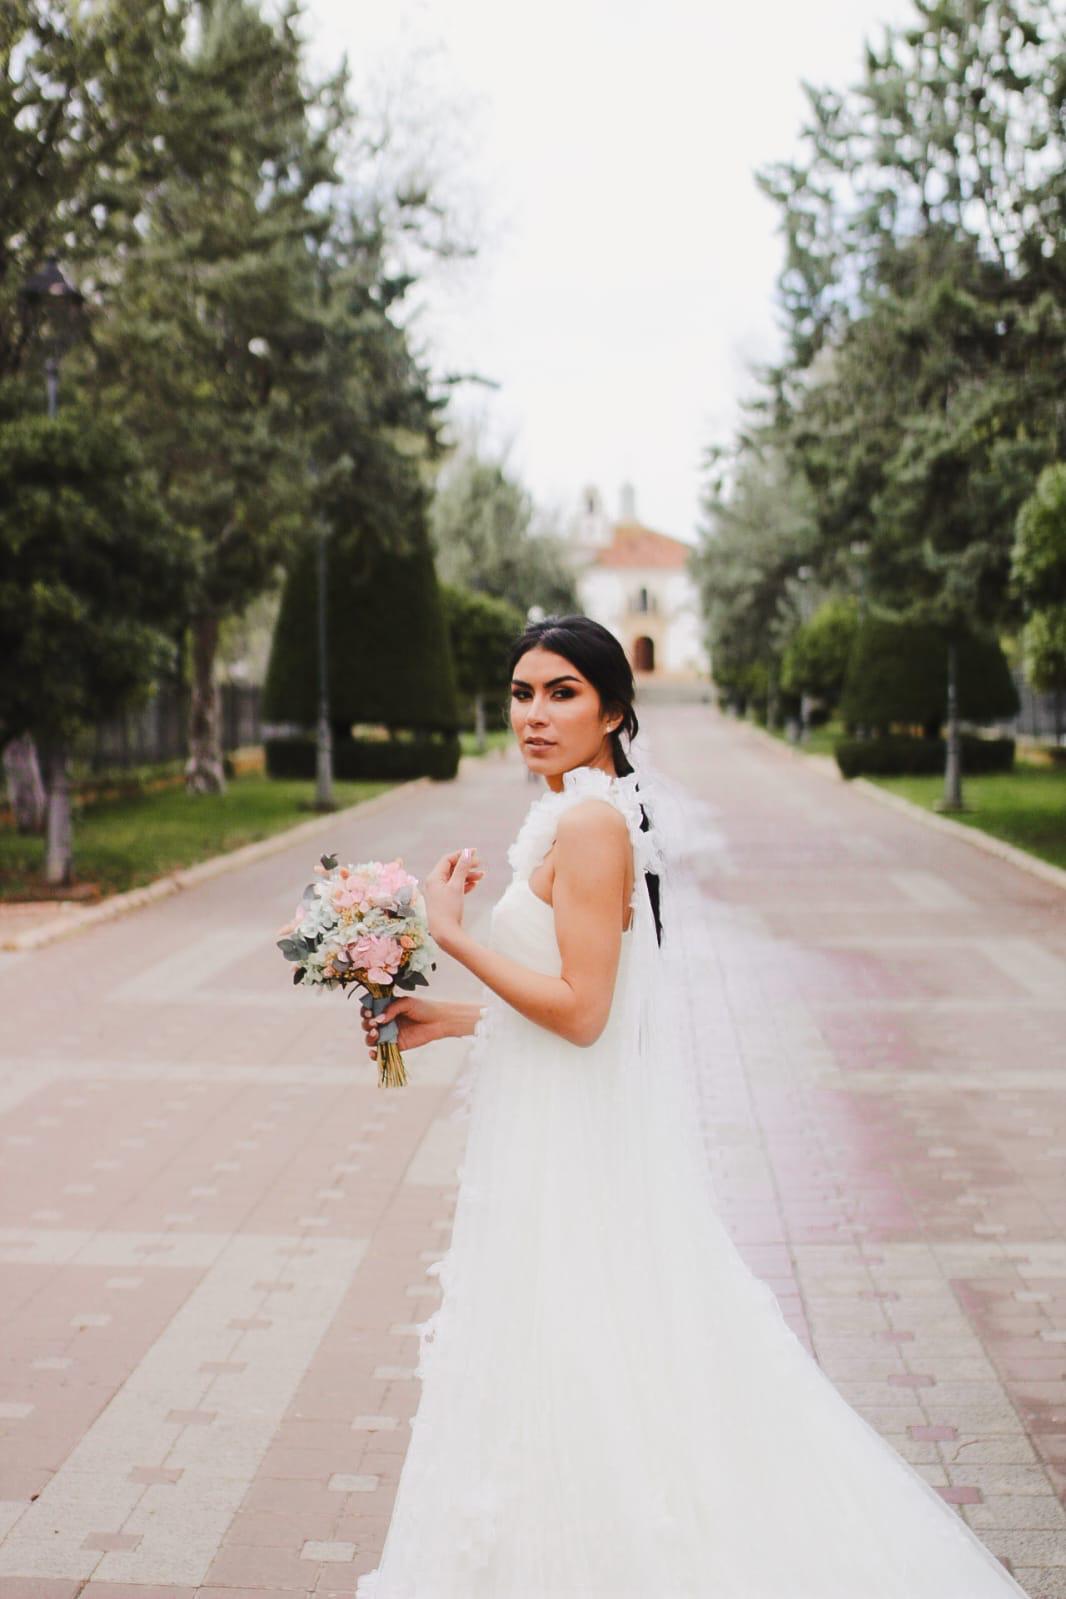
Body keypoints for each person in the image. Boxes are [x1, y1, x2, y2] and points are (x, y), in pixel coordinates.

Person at [353, 616, 1029, 1597]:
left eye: (561, 694)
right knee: (567, 1364)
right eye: (519, 693)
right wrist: (446, 1018)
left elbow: (581, 1017)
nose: (533, 714)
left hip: (569, 1147)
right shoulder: (571, 814)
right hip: (550, 1129)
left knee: (575, 1361)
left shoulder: (589, 825)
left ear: (613, 711)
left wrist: (450, 933)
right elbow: (590, 1000)